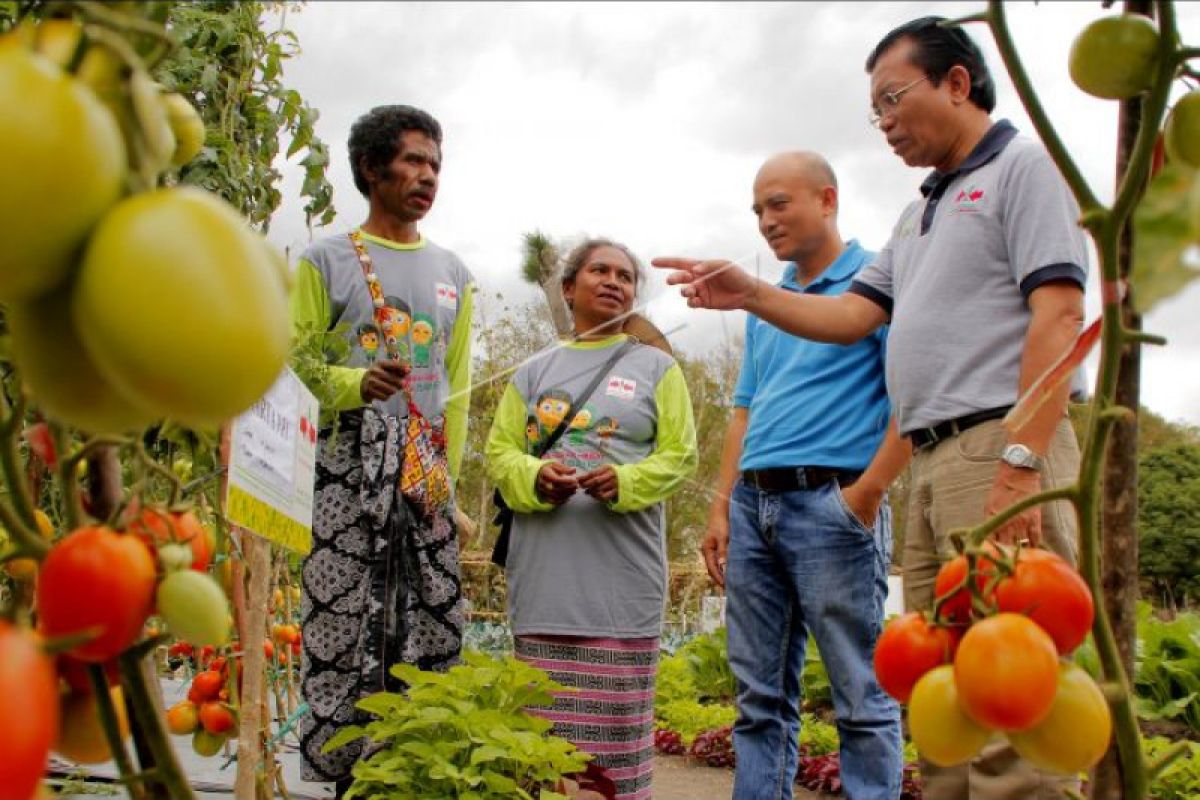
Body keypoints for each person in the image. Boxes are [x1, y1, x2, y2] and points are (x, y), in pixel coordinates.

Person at [655, 17, 1087, 800]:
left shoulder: (1023, 169)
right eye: (873, 112)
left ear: (957, 82)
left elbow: (1059, 316)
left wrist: (1022, 463)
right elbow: (852, 318)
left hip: (999, 444)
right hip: (934, 459)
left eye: (893, 99)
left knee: (1012, 692)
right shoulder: (916, 215)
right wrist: (750, 291)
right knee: (943, 693)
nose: (884, 122)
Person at [702, 151, 907, 800]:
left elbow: (915, 394)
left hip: (833, 506)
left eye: (778, 203)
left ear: (827, 198)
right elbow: (744, 410)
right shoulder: (771, 303)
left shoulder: (876, 282)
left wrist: (867, 495)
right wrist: (720, 507)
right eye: (758, 209)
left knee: (859, 695)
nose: (765, 220)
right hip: (753, 510)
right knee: (758, 699)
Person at [290, 104, 474, 796]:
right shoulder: (325, 261)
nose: (427, 176)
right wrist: (352, 383)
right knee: (342, 620)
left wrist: (444, 481)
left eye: (435, 164)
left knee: (429, 617)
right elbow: (293, 365)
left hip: (423, 470)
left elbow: (454, 386)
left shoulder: (453, 270)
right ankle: (344, 779)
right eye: (413, 161)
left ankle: (414, 769)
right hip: (345, 465)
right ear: (371, 168)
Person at [486, 238, 697, 800]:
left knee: (616, 755)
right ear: (568, 287)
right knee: (543, 750)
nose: (614, 281)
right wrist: (534, 478)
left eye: (626, 275)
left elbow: (681, 457)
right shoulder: (532, 372)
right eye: (599, 270)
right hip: (544, 588)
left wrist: (624, 482)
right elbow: (500, 452)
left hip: (621, 592)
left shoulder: (657, 369)